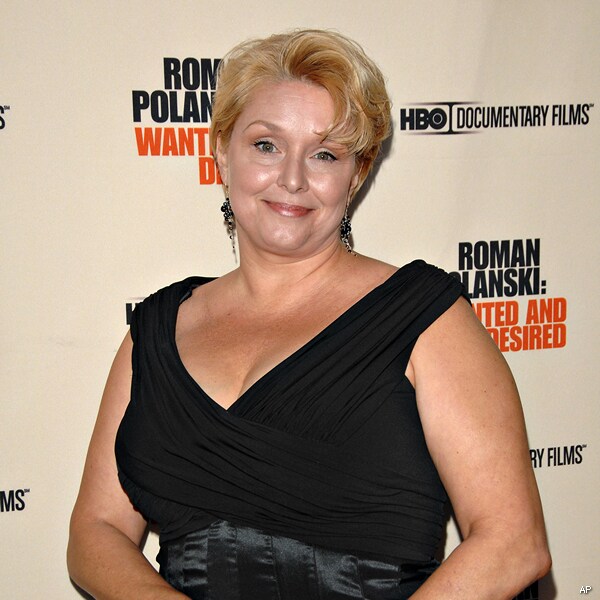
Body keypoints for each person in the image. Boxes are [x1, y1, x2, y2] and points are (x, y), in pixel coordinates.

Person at [67, 29, 551, 599]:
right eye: (266, 145)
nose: (292, 178)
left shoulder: (423, 319)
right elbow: (96, 531)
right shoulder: (156, 332)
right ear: (221, 151)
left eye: (324, 154)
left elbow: (513, 543)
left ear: (357, 173)